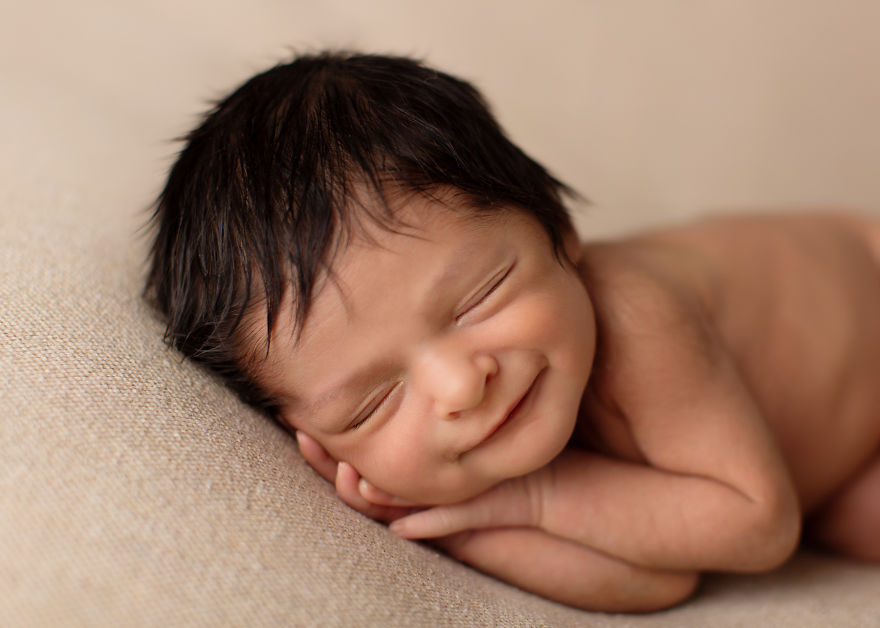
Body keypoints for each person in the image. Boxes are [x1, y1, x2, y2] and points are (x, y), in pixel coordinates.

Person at [145, 52, 880, 612]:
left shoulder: (636, 316)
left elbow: (756, 523)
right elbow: (659, 581)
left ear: (557, 226)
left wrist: (535, 501)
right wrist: (457, 526)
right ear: (310, 437)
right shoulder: (484, 441)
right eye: (371, 404)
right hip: (834, 461)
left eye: (478, 298)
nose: (460, 385)